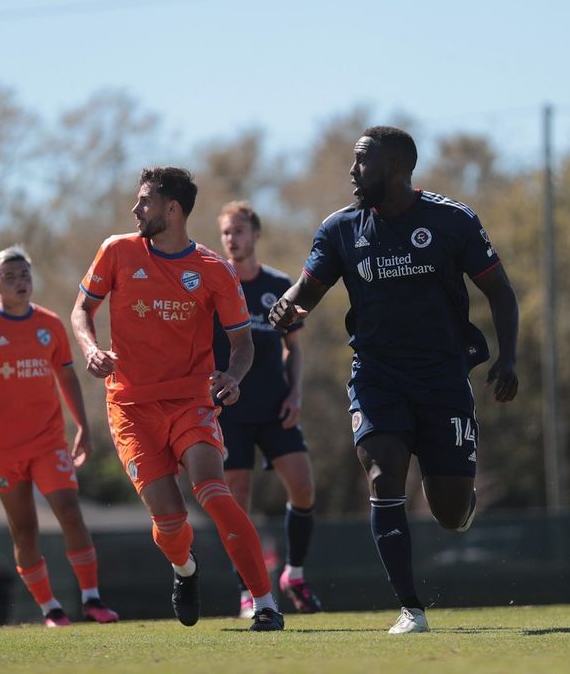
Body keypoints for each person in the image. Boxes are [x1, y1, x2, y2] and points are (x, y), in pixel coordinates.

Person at [269, 126, 520, 635]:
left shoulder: (452, 220)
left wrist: (508, 358)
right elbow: (306, 291)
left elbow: (500, 290)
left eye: (363, 161)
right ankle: (411, 608)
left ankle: (460, 501)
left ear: (398, 168)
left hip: (443, 377)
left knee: (449, 511)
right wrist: (286, 306)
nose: (352, 171)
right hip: (377, 376)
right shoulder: (340, 228)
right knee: (383, 475)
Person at [70, 167, 285, 631]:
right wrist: (90, 348)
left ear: (172, 209)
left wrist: (233, 376)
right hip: (130, 407)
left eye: (144, 201)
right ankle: (185, 569)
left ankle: (265, 603)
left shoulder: (213, 269)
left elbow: (243, 342)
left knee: (214, 492)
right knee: (169, 521)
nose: (135, 209)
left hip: (191, 401)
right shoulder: (117, 251)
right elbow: (83, 309)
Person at [0, 246, 119, 627]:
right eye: (10, 277)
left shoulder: (50, 324)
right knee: (25, 531)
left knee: (70, 512)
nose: (20, 282)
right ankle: (50, 609)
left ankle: (92, 598)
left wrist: (84, 427)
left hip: (48, 442)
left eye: (24, 275)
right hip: (1, 449)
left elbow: (67, 377)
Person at [214, 201, 321, 618]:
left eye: (239, 230)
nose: (232, 239)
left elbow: (294, 348)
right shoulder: (214, 283)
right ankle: (248, 591)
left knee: (304, 487)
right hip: (229, 411)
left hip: (276, 406)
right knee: (236, 502)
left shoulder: (279, 284)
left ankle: (294, 573)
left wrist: (295, 395)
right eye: (226, 232)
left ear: (256, 234)